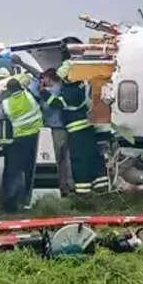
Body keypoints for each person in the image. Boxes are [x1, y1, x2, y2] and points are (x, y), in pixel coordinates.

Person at [42, 62, 108, 193]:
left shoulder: (70, 92)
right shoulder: (81, 86)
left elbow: (57, 103)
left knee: (79, 160)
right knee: (92, 156)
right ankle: (101, 185)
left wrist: (44, 93)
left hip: (76, 132)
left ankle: (83, 190)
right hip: (87, 128)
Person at [0, 78, 42, 212]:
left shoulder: (6, 103)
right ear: (20, 87)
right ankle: (30, 197)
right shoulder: (29, 94)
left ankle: (12, 204)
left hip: (19, 139)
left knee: (16, 171)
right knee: (32, 169)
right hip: (37, 136)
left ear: (9, 90)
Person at [32, 68, 74, 196]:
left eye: (44, 78)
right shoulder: (62, 88)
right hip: (64, 129)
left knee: (56, 159)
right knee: (64, 160)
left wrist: (37, 84)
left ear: (49, 78)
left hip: (56, 129)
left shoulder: (53, 91)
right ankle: (66, 186)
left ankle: (58, 187)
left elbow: (43, 103)